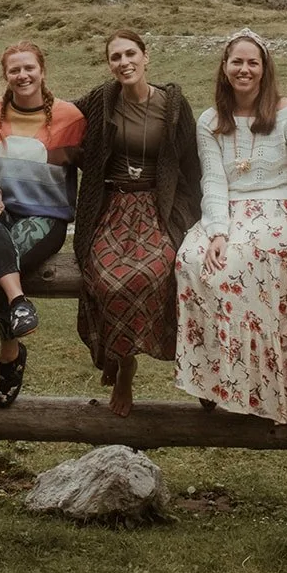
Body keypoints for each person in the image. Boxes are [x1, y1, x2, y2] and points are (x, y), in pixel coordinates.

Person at [175, 28, 287, 425]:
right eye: (237, 61)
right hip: (229, 208)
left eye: (253, 62)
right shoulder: (209, 120)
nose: (244, 69)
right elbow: (214, 181)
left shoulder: (286, 114)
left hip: (280, 208)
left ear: (265, 68)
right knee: (190, 258)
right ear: (224, 66)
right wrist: (217, 231)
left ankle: (258, 384)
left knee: (236, 264)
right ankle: (214, 377)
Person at [73, 29, 201, 417]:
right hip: (110, 205)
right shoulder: (99, 100)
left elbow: (193, 164)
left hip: (157, 205)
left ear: (146, 57)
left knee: (156, 271)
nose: (124, 62)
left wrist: (199, 216)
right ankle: (123, 362)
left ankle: (156, 364)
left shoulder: (173, 104)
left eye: (131, 54)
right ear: (109, 65)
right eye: (115, 57)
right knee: (105, 277)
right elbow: (55, 117)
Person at [0, 42, 86, 408]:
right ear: (5, 75)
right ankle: (20, 302)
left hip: (46, 217)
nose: (22, 75)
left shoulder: (71, 118)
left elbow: (97, 166)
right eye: (14, 70)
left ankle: (10, 354)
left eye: (28, 68)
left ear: (42, 70)